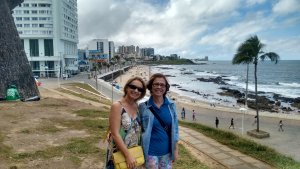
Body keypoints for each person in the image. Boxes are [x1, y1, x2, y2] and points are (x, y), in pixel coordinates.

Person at [139, 73, 179, 169]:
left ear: (166, 88)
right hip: (149, 153)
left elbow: (175, 130)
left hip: (167, 153)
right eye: (156, 84)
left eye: (162, 85)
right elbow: (137, 128)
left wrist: (176, 150)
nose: (159, 87)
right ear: (151, 87)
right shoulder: (143, 107)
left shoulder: (171, 106)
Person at [105, 77, 146, 169]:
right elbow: (115, 134)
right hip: (120, 152)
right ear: (127, 87)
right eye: (133, 87)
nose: (136, 90)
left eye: (140, 89)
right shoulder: (117, 106)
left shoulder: (137, 106)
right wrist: (128, 155)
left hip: (134, 151)